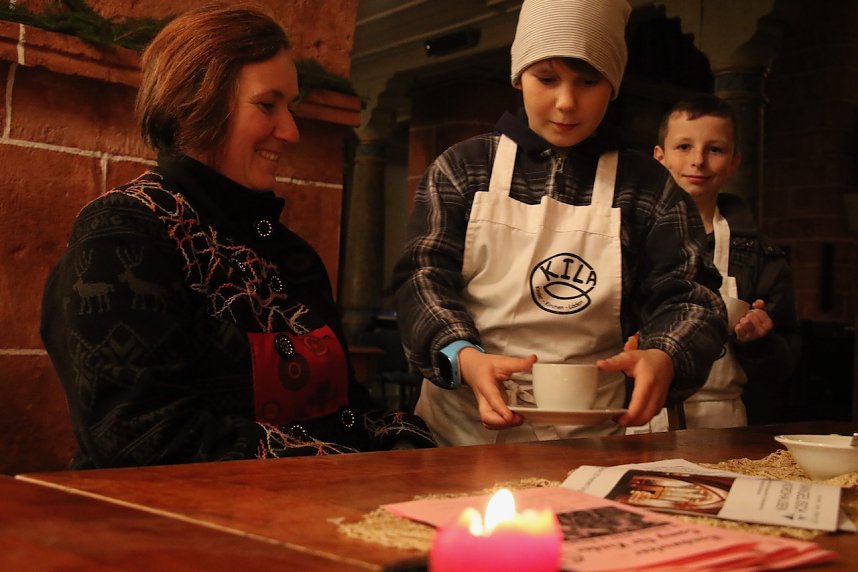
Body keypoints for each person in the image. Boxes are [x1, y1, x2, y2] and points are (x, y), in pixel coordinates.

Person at [40, 2, 435, 469]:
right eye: (268, 105)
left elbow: (345, 407)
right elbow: (137, 435)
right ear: (196, 101)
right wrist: (341, 467)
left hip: (322, 508)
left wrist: (402, 445)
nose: (290, 132)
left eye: (291, 107)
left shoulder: (290, 252)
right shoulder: (126, 232)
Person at [391, 0, 728, 447]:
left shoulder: (648, 187)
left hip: (593, 435)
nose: (566, 103)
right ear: (519, 76)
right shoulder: (463, 168)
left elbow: (693, 299)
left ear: (613, 84)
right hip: (459, 431)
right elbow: (422, 278)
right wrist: (464, 357)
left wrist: (665, 355)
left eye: (589, 82)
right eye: (546, 79)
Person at [631, 93, 798, 430]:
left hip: (722, 421)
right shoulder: (626, 240)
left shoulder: (760, 256)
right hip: (637, 413)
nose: (698, 161)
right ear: (659, 157)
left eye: (715, 149)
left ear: (734, 162)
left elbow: (786, 366)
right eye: (684, 147)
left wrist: (761, 339)